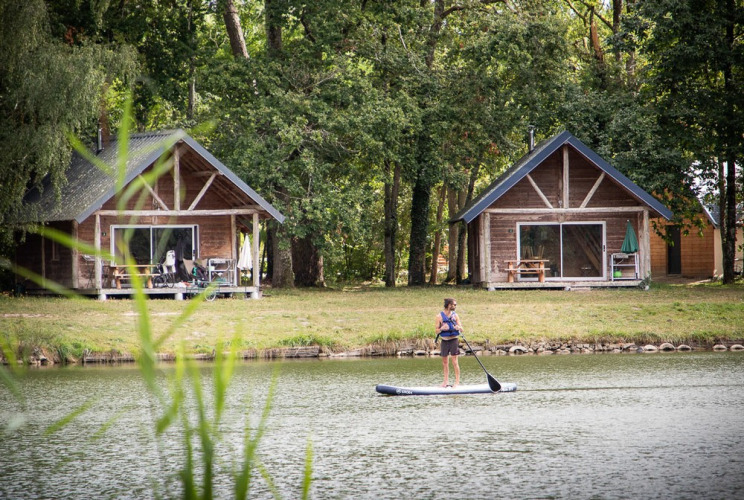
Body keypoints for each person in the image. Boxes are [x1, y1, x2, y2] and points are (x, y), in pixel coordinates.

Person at [435, 297, 462, 387]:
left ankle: (457, 382)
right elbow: (436, 331)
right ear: (448, 305)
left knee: (455, 361)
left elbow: (462, 329)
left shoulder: (455, 316)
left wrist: (458, 328)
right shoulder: (439, 316)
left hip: (454, 340)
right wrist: (442, 328)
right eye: (453, 304)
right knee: (445, 362)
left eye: (455, 305)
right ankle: (445, 382)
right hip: (445, 341)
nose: (455, 306)